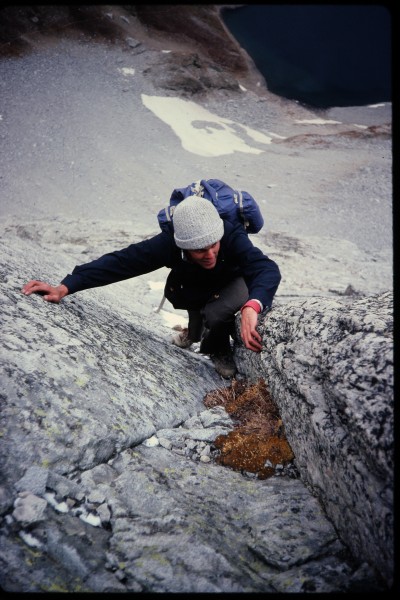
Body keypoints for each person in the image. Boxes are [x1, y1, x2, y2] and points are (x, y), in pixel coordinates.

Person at [21, 195, 281, 378]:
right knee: (195, 307)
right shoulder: (168, 244)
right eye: (200, 250)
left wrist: (252, 305)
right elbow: (121, 262)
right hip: (192, 288)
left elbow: (266, 268)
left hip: (231, 281)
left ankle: (216, 348)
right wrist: (66, 287)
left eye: (214, 245)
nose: (210, 254)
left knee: (217, 313)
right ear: (182, 245)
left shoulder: (230, 234)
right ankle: (193, 331)